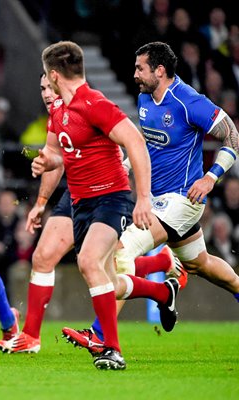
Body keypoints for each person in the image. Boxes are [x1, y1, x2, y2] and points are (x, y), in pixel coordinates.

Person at [63, 41, 239, 356]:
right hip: (157, 198)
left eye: (140, 68)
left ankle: (100, 334)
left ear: (160, 70)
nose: (134, 75)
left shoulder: (189, 101)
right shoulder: (146, 98)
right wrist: (127, 163)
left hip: (182, 199)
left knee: (122, 250)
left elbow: (233, 136)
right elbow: (150, 141)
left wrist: (211, 177)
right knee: (200, 264)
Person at [0, 74, 183, 355]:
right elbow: (54, 159)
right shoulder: (56, 115)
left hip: (108, 198)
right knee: (43, 256)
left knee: (103, 271)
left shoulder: (91, 104)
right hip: (76, 197)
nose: (47, 93)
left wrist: (142, 196)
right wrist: (40, 201)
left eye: (50, 87)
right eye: (42, 89)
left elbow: (133, 140)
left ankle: (147, 298)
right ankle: (31, 337)